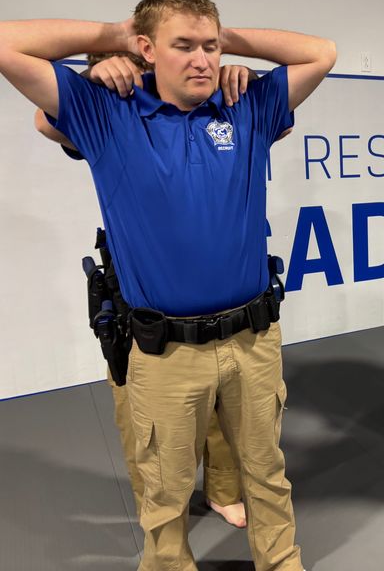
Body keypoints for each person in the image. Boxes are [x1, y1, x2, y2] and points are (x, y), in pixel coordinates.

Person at [0, 0, 336, 570]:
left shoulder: (248, 107)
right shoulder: (105, 112)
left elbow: (322, 52)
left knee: (267, 476)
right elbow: (7, 44)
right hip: (164, 354)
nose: (203, 58)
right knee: (165, 493)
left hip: (253, 342)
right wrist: (110, 38)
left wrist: (227, 39)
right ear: (147, 49)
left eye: (210, 45)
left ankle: (283, 563)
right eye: (184, 45)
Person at [34, 51, 260, 528]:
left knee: (221, 401)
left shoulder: (204, 109)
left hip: (215, 285)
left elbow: (269, 117)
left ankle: (223, 487)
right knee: (143, 416)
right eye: (135, 69)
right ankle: (156, 508)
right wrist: (91, 78)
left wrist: (242, 76)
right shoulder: (112, 118)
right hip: (139, 289)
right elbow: (45, 120)